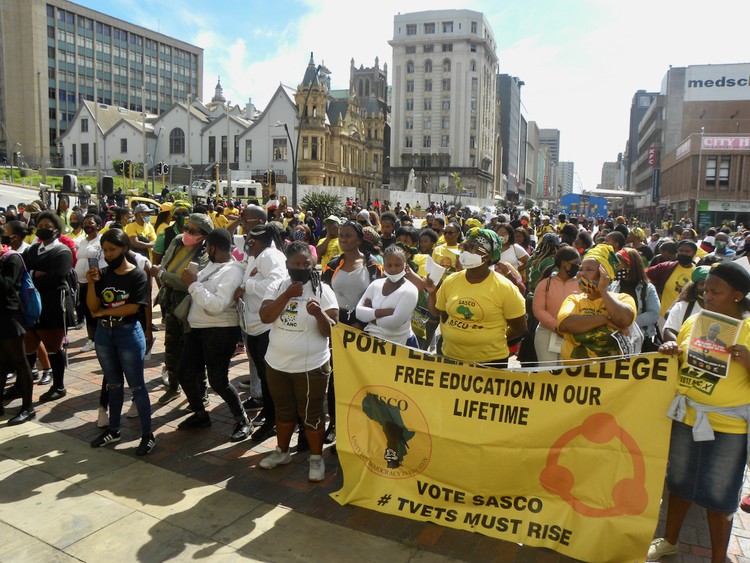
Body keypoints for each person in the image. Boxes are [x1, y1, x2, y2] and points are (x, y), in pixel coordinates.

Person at [648, 262, 750, 562]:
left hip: (728, 428)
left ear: (737, 295)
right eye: (706, 291)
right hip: (686, 418)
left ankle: (718, 558)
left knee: (719, 497)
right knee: (678, 483)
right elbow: (680, 362)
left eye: (716, 292)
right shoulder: (694, 323)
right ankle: (670, 540)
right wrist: (672, 352)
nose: (707, 296)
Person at [258, 241, 338, 482]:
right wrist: (287, 295)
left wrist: (319, 314)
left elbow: (332, 331)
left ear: (312, 264)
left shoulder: (323, 290)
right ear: (287, 265)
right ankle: (282, 452)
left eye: (306, 263)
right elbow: (265, 317)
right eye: (296, 264)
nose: (301, 267)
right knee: (283, 411)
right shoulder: (277, 285)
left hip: (310, 366)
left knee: (312, 414)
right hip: (277, 363)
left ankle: (316, 458)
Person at [175, 229, 250, 442]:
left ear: (212, 247)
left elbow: (217, 305)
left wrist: (193, 284)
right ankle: (200, 415)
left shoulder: (233, 271)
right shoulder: (212, 265)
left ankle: (243, 420)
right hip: (199, 328)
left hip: (220, 330)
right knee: (185, 372)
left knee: (218, 380)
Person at [87, 229, 154, 455]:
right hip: (105, 335)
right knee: (113, 384)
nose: (108, 254)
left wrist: (102, 313)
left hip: (127, 333)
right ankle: (114, 429)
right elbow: (92, 307)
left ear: (124, 249)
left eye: (112, 250)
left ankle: (147, 435)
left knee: (137, 386)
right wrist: (91, 283)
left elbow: (133, 307)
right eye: (105, 250)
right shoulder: (103, 274)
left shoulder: (137, 275)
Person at [426, 228, 526, 366]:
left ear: (489, 256)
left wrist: (493, 341)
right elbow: (444, 317)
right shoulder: (451, 281)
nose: (466, 253)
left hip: (490, 362)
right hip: (450, 357)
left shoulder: (505, 288)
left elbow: (519, 327)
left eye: (473, 249)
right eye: (465, 248)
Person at [235, 224, 287, 442]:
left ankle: (273, 420)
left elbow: (275, 285)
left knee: (269, 377)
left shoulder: (270, 256)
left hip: (265, 326)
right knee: (264, 376)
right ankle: (268, 412)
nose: (247, 245)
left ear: (255, 242)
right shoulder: (259, 256)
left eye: (249, 242)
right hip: (254, 324)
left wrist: (248, 285)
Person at [155, 213, 212, 405]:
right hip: (171, 302)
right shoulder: (178, 242)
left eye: (192, 230)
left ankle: (200, 392)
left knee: (194, 351)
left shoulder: (205, 253)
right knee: (171, 348)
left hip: (189, 305)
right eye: (186, 227)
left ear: (204, 235)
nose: (186, 232)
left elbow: (188, 283)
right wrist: (165, 275)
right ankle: (173, 386)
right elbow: (164, 264)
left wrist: (164, 275)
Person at [22, 211, 74, 402]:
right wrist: (36, 274)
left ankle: (58, 386)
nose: (43, 229)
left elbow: (57, 277)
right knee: (29, 345)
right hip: (32, 304)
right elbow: (25, 273)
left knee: (53, 346)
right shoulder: (33, 250)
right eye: (40, 226)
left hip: (53, 305)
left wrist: (34, 276)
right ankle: (23, 384)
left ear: (57, 230)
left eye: (48, 226)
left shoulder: (61, 251)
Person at [557, 244, 637, 361]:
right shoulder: (573, 299)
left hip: (609, 375)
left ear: (604, 275)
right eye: (580, 269)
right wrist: (604, 319)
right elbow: (565, 324)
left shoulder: (623, 298)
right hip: (575, 375)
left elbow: (623, 320)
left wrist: (603, 290)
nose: (581, 274)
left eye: (588, 270)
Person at [0, 226, 36, 424]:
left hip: (10, 317)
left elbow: (6, 286)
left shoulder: (11, 258)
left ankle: (28, 407)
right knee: (2, 363)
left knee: (20, 362)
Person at [356, 245, 419, 346]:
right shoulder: (375, 284)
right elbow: (359, 312)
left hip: (400, 343)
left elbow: (394, 323)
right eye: (389, 265)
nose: (393, 269)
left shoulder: (410, 290)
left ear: (405, 264)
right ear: (384, 265)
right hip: (372, 343)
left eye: (397, 265)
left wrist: (370, 316)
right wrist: (383, 312)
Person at [532, 246, 580, 364]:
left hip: (573, 335)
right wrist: (556, 326)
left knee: (567, 373)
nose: (578, 267)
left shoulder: (581, 284)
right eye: (575, 263)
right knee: (548, 373)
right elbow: (538, 309)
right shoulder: (545, 284)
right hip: (547, 334)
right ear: (564, 263)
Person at [613, 247, 661, 349]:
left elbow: (653, 314)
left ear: (629, 265)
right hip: (617, 339)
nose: (615, 267)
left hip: (642, 338)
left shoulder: (647, 288)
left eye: (618, 264)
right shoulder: (613, 285)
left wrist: (628, 323)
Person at [74, 214, 106, 353]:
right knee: (87, 312)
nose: (87, 225)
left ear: (98, 225)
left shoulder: (101, 241)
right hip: (82, 283)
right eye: (85, 223)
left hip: (95, 282)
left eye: (91, 223)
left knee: (96, 311)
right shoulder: (82, 241)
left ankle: (99, 339)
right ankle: (91, 339)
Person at [662, 266, 709, 342]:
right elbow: (669, 332)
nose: (705, 288)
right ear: (695, 286)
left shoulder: (724, 309)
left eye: (709, 284)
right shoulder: (682, 307)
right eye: (701, 284)